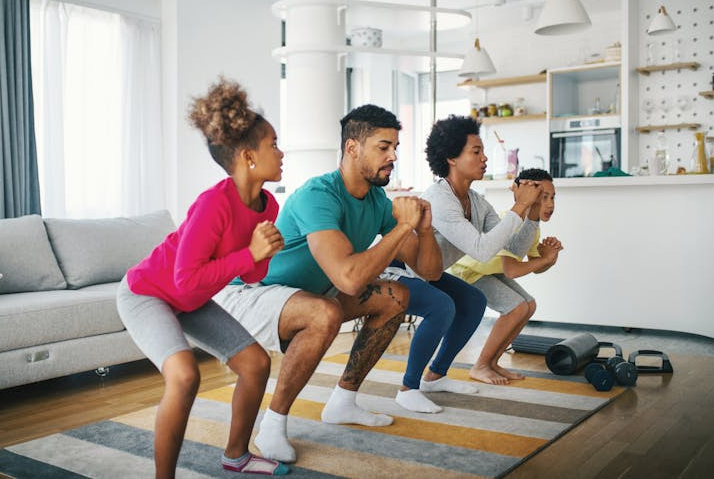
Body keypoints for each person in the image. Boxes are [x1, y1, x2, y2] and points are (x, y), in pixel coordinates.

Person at [214, 104, 443, 463]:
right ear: (352, 148)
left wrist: (423, 229)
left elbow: (430, 272)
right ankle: (272, 426)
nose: (393, 156)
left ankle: (343, 402)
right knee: (324, 313)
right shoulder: (317, 195)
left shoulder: (376, 200)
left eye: (395, 147)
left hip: (305, 293)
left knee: (396, 296)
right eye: (383, 147)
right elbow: (349, 280)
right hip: (251, 292)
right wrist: (401, 228)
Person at [116, 78, 290, 477]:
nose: (281, 153)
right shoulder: (213, 204)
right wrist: (250, 251)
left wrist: (261, 254)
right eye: (273, 144)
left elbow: (251, 274)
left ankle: (236, 456)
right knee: (184, 374)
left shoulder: (268, 204)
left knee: (256, 364)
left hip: (189, 298)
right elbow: (185, 281)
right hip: (148, 293)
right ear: (248, 156)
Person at [417, 115, 544, 386]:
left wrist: (531, 214)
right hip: (410, 272)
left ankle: (436, 376)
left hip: (435, 274)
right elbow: (482, 251)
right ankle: (411, 385)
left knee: (477, 302)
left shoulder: (477, 202)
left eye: (483, 151)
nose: (484, 158)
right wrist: (518, 207)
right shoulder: (440, 198)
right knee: (446, 307)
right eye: (476, 152)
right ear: (452, 158)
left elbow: (512, 249)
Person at [449, 168, 563, 382]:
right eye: (544, 197)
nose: (550, 204)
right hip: (468, 271)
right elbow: (512, 271)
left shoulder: (533, 226)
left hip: (489, 270)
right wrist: (545, 260)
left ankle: (493, 363)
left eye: (553, 197)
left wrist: (550, 258)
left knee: (529, 304)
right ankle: (480, 366)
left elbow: (535, 267)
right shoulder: (509, 222)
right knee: (515, 307)